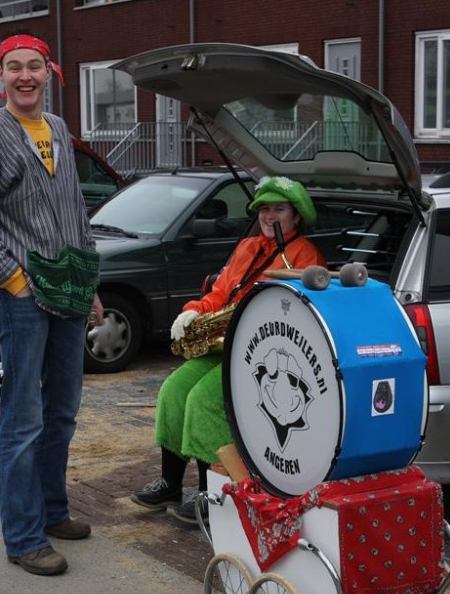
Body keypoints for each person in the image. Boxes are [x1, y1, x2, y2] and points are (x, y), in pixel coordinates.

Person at [0, 31, 104, 576]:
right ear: (1, 76)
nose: (25, 76)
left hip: (68, 292)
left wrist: (88, 284)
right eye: (14, 66)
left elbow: (75, 214)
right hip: (21, 298)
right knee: (24, 420)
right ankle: (23, 538)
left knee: (61, 411)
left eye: (34, 66)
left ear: (50, 73)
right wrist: (17, 283)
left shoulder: (59, 128)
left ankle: (52, 510)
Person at [130, 175, 326, 524]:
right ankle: (170, 483)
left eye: (279, 209)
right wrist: (195, 311)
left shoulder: (305, 255)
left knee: (202, 401)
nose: (269, 216)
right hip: (224, 342)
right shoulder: (247, 247)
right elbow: (221, 292)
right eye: (264, 209)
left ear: (296, 216)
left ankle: (211, 495)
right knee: (173, 390)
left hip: (260, 353)